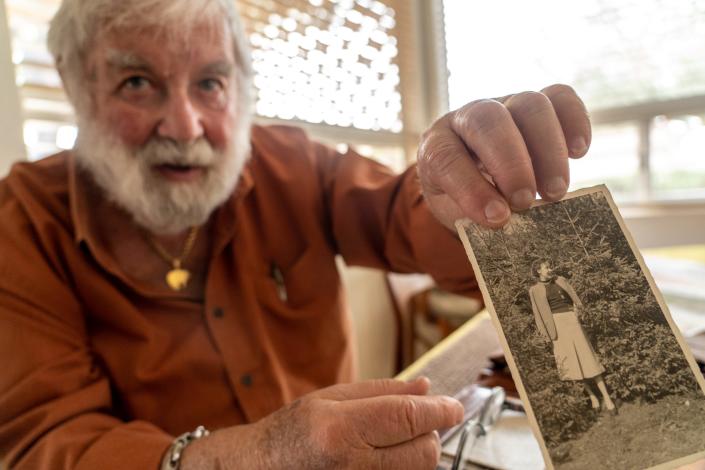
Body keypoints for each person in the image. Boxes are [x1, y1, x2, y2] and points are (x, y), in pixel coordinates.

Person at [0, 1, 592, 469]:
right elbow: (41, 441)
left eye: (209, 82)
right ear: (75, 84)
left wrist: (470, 191)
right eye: (136, 82)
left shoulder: (293, 164)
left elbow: (403, 213)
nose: (184, 126)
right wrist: (247, 459)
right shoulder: (21, 224)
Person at [529, 259, 617, 414]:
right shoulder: (534, 290)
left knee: (588, 358)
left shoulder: (561, 280)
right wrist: (546, 336)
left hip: (571, 320)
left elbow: (575, 298)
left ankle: (607, 399)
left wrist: (577, 312)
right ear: (538, 271)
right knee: (572, 363)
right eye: (546, 267)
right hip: (555, 328)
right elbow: (538, 316)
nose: (550, 269)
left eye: (550, 266)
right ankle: (592, 397)